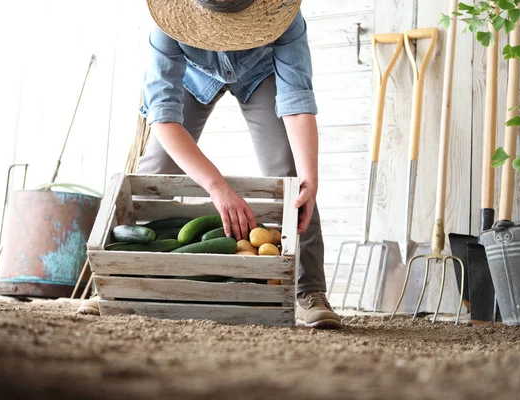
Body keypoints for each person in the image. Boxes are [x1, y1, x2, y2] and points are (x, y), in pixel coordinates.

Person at [79, 0, 341, 329]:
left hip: (260, 73)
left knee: (290, 173)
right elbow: (162, 117)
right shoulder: (168, 20)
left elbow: (297, 101)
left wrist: (310, 180)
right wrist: (217, 187)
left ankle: (309, 290)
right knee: (156, 169)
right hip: (193, 76)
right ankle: (122, 283)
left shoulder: (282, 13)